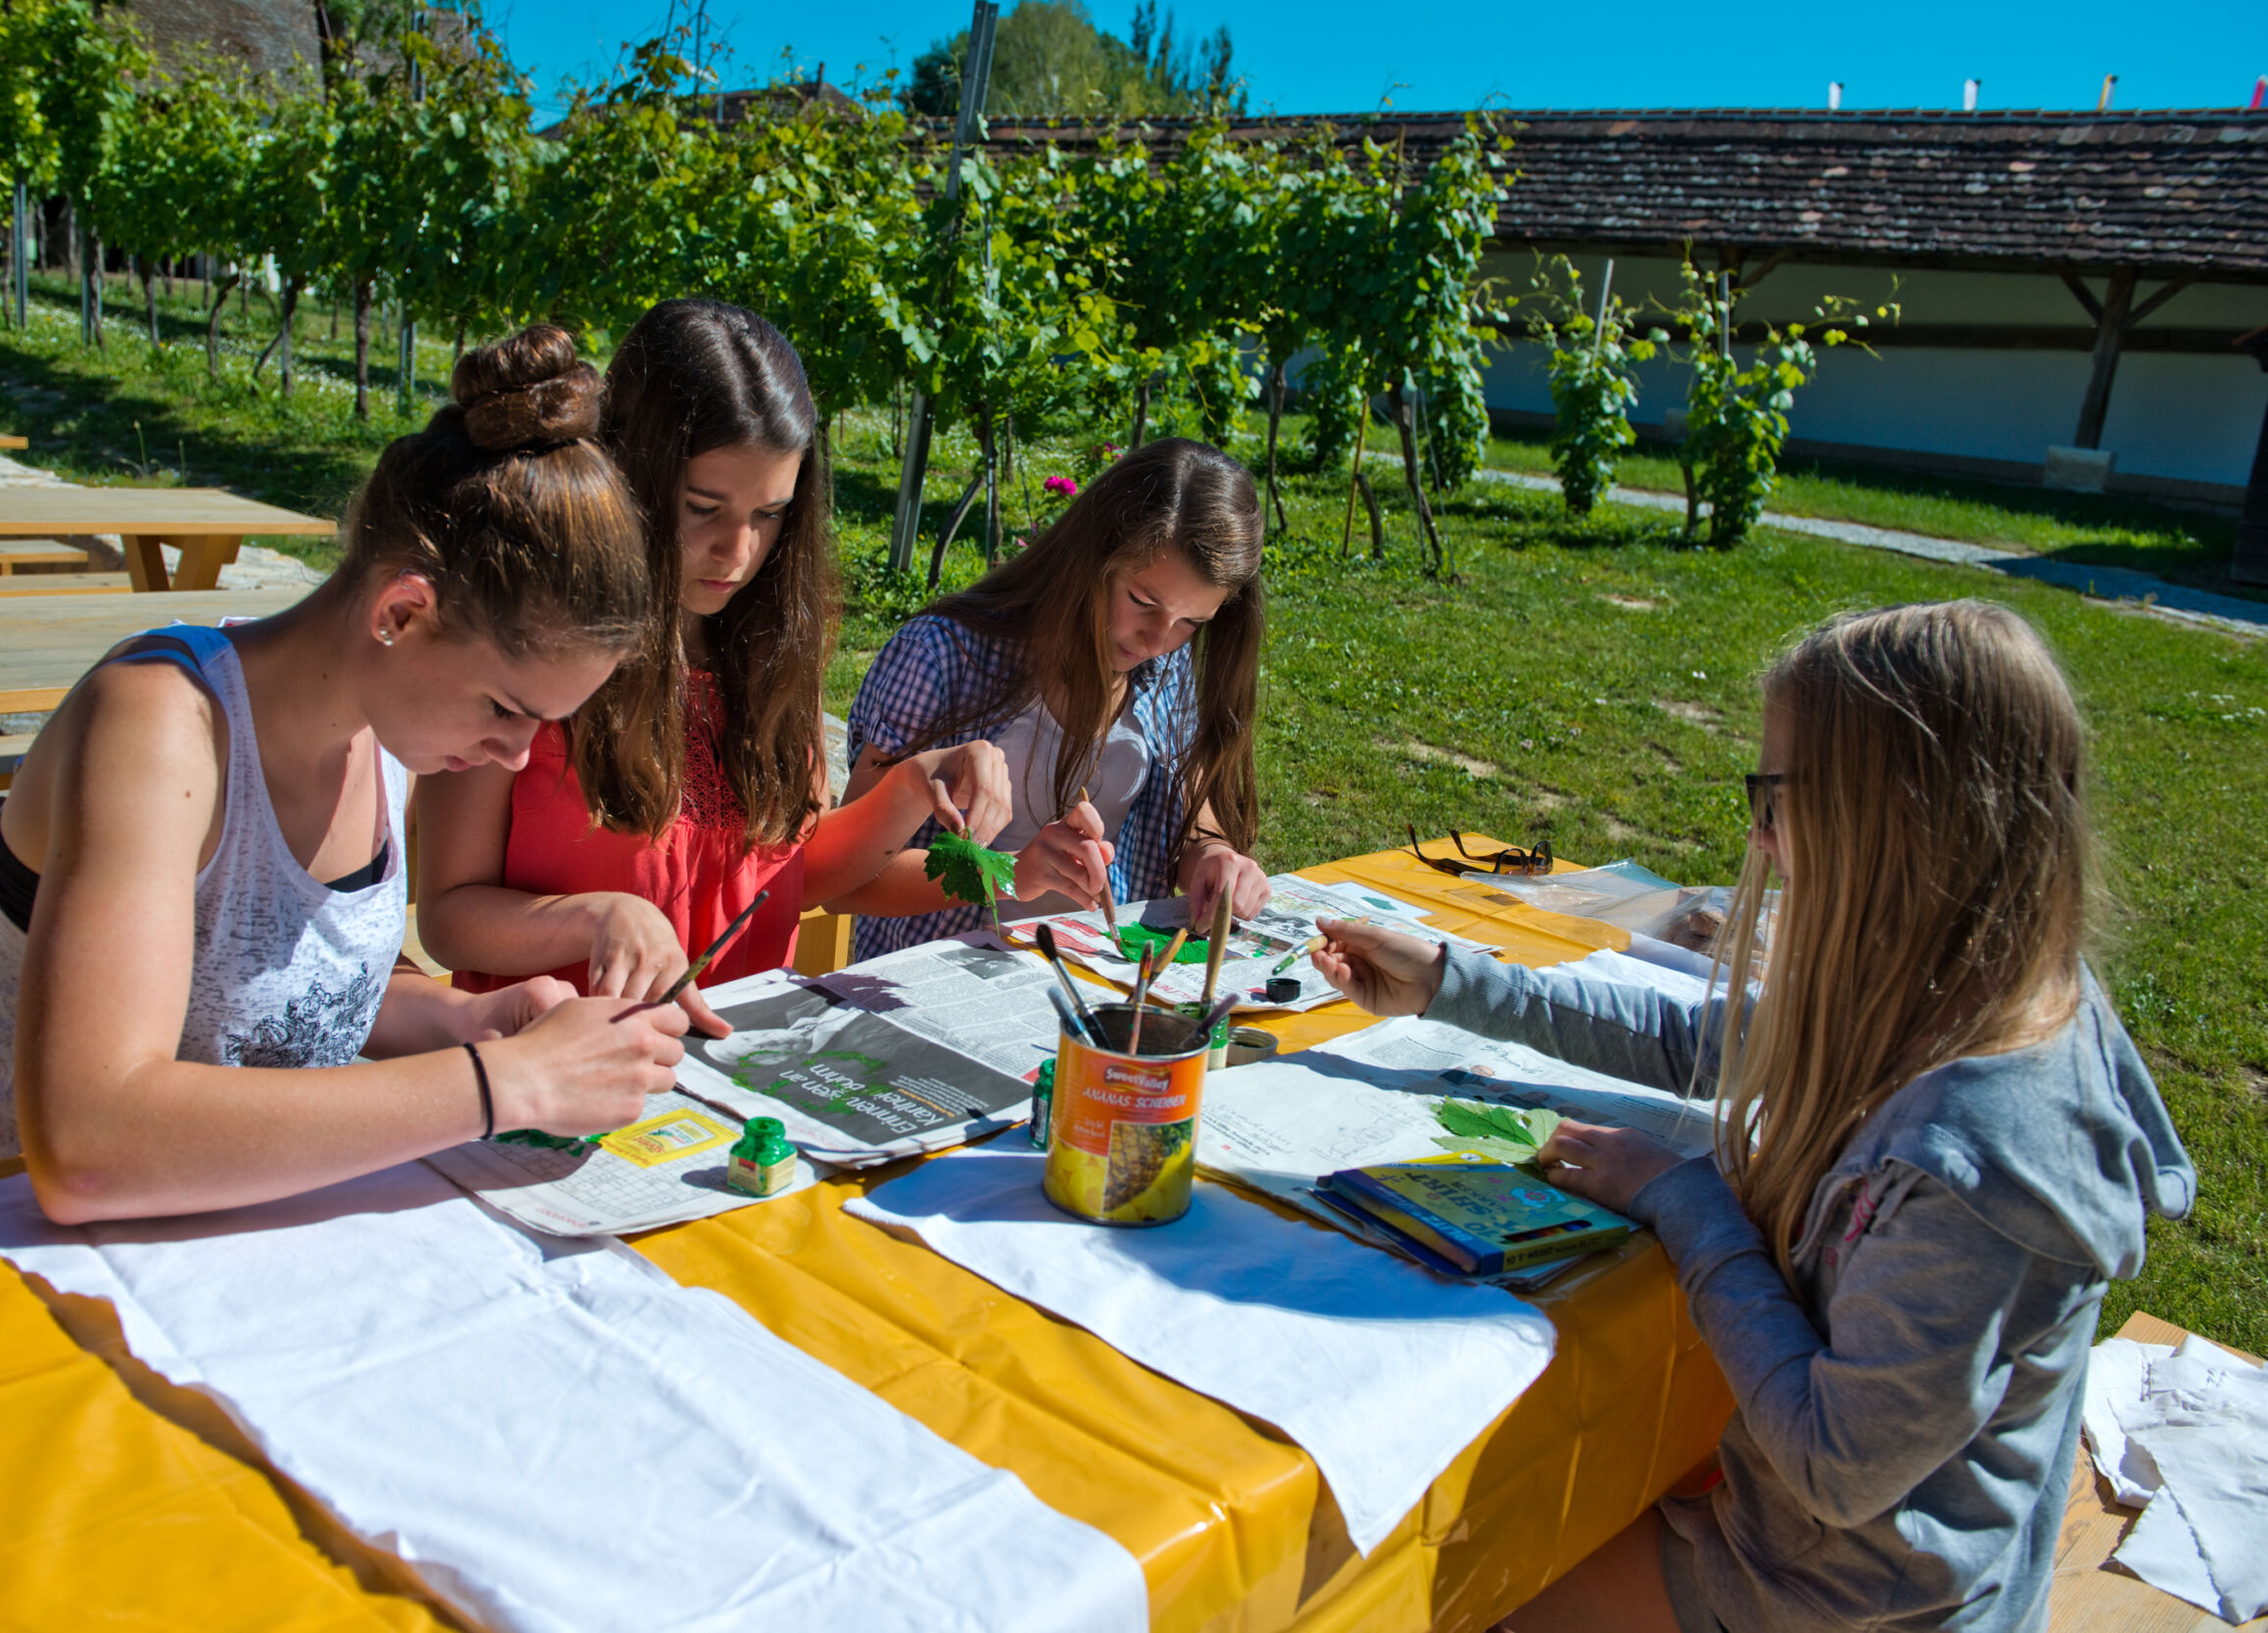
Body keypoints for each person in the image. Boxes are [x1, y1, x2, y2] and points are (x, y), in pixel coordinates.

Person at [1312, 601, 2193, 1633]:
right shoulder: (1959, 981)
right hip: (1819, 1557)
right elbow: (1711, 1040)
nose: (1757, 833)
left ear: (1893, 818)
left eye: (1773, 796)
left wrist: (1682, 1199)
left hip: (1846, 1605)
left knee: (1428, 1582)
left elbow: (1830, 1462)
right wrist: (1453, 983)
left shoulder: (1981, 1166)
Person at [0, 326, 693, 1220]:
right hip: (3, 1267)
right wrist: (500, 1083)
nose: (516, 756)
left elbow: (282, 991)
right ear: (403, 613)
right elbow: (86, 1145)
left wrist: (462, 1022)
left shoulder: (388, 729)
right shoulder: (158, 725)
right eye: (505, 708)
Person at [416, 298, 1009, 1013]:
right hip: (562, 1075)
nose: (739, 553)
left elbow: (785, 873)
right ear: (631, 472)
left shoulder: (764, 650)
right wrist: (594, 920)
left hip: (733, 1080)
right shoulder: (532, 649)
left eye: (770, 515)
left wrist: (913, 787)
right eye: (704, 508)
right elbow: (448, 916)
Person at [842, 437, 1271, 960]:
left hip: (1090, 982)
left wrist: (1212, 857)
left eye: (1192, 622)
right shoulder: (941, 657)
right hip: (932, 994)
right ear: (1089, 559)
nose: (1158, 641)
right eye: (1141, 601)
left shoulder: (1165, 667)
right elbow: (848, 876)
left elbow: (1191, 817)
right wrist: (1007, 874)